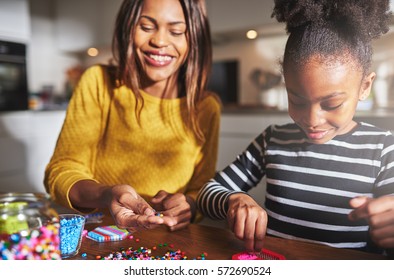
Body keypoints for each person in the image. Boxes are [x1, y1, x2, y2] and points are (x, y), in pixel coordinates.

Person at [197, 0, 394, 256]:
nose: (312, 119)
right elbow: (207, 192)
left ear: (365, 87)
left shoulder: (382, 149)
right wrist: (234, 200)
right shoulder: (272, 140)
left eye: (332, 103)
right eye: (297, 100)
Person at [44, 0, 220, 233]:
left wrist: (190, 204)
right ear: (128, 27)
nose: (159, 41)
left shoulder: (206, 108)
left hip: (169, 243)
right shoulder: (98, 82)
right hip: (101, 236)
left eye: (176, 31)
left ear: (194, 39)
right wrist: (107, 195)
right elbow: (62, 169)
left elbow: (201, 189)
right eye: (146, 27)